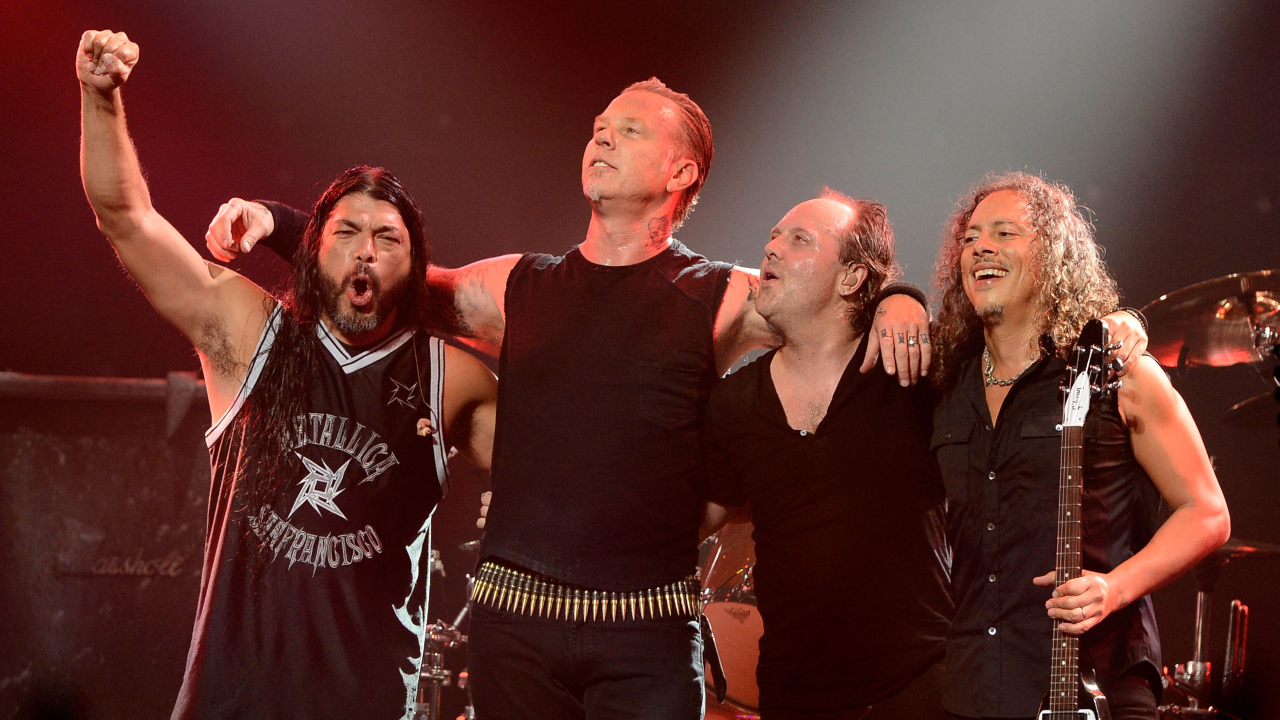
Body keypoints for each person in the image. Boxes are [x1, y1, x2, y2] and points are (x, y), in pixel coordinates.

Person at [206, 79, 933, 718]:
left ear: (681, 171)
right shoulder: (520, 286)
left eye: (630, 130)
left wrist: (900, 297)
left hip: (647, 636)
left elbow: (825, 295)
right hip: (516, 632)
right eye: (598, 129)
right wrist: (277, 220)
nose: (602, 137)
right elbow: (405, 284)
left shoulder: (722, 296)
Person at [77, 30, 498, 719]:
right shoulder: (249, 336)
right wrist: (101, 96)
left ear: (415, 265)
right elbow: (126, 219)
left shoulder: (450, 378)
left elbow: (555, 489)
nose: (365, 251)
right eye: (345, 233)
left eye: (387, 238)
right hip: (229, 703)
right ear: (311, 252)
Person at [929, 172, 1230, 719]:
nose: (980, 249)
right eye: (969, 238)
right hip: (975, 686)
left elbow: (1207, 512)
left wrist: (1114, 589)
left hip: (1097, 685)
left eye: (1004, 233)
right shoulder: (946, 387)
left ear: (1053, 255)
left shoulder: (1118, 374)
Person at [700, 190, 953, 719]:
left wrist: (905, 294)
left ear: (851, 278)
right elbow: (700, 513)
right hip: (796, 694)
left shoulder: (907, 367)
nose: (771, 248)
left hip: (920, 684)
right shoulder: (734, 402)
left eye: (799, 240)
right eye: (773, 235)